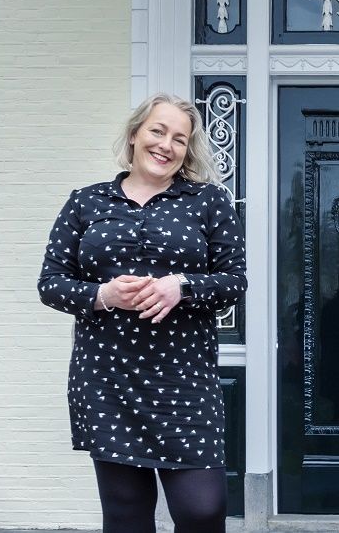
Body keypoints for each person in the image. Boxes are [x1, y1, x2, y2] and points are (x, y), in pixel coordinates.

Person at [38, 93, 247, 533]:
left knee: (203, 509)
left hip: (184, 379)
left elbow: (234, 281)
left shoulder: (208, 202)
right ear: (135, 135)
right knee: (126, 515)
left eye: (179, 139)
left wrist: (182, 286)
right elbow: (51, 283)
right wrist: (103, 294)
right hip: (107, 378)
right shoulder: (86, 202)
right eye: (158, 131)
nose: (166, 145)